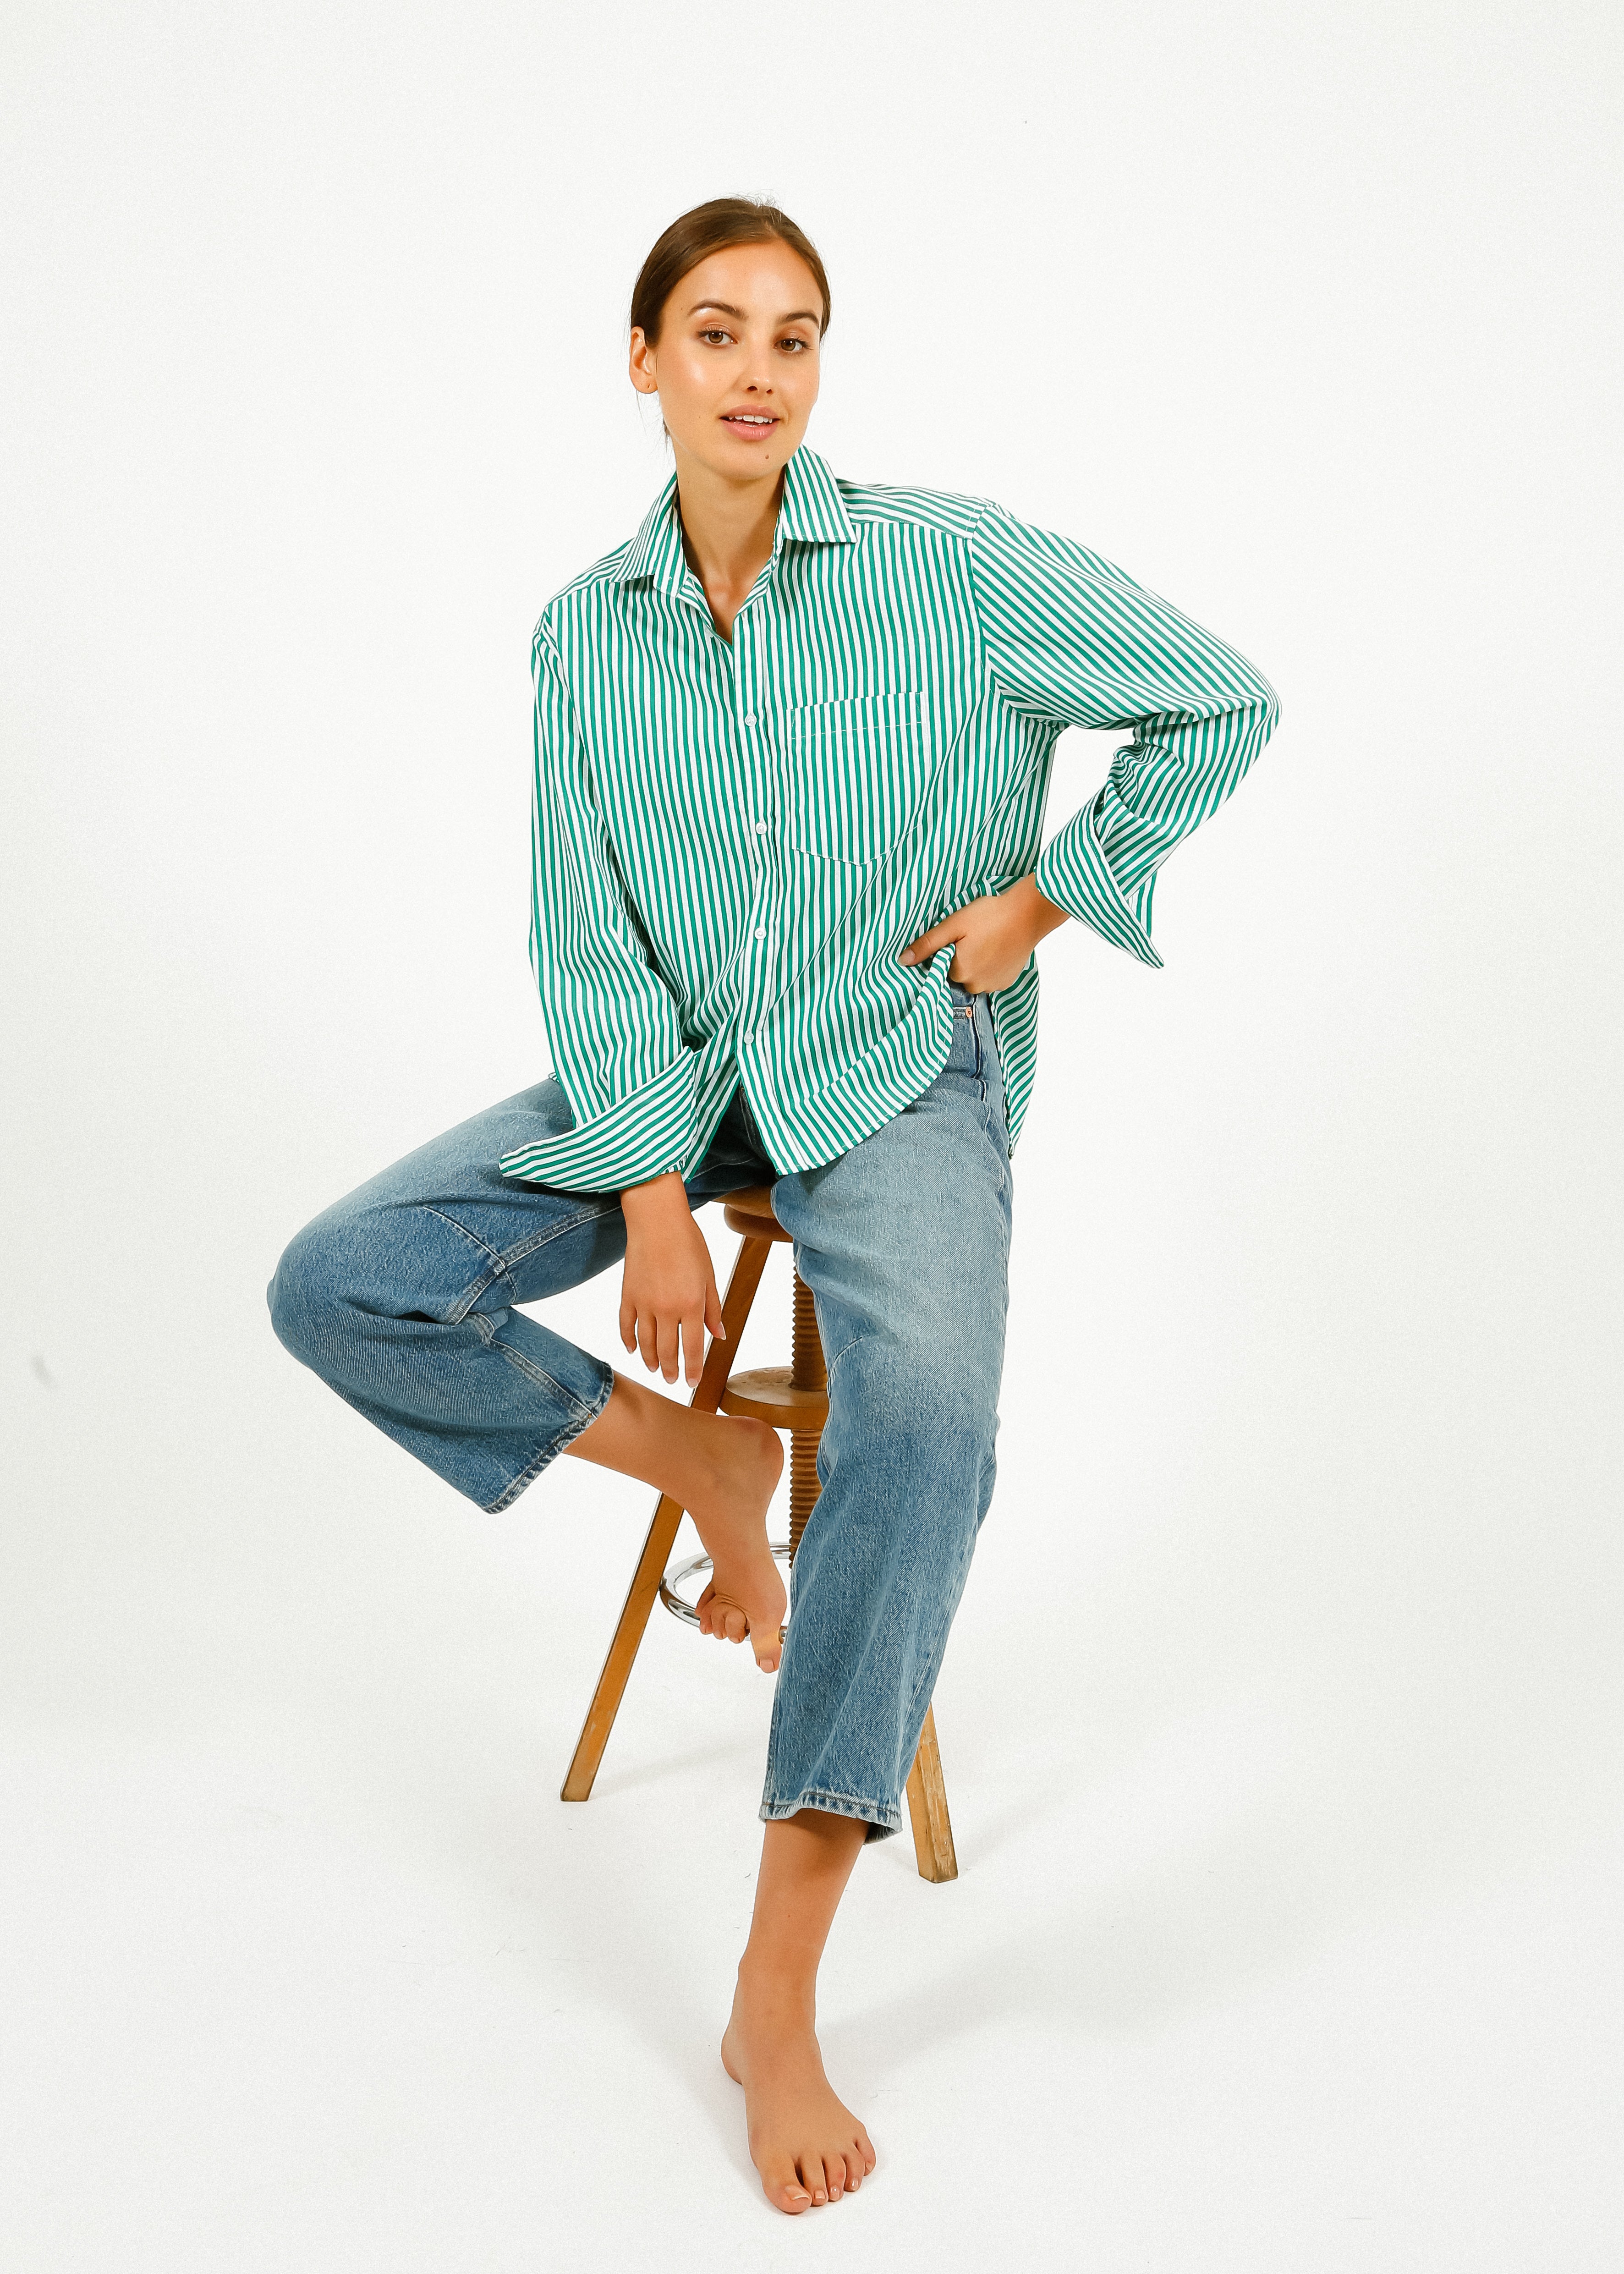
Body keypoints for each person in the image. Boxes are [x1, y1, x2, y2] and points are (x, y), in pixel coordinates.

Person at [267, 195, 1280, 2215]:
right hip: (679, 1074)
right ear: (640, 359)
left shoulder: (949, 563)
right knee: (346, 1279)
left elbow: (1217, 698)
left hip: (902, 1057)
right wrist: (648, 1187)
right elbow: (593, 934)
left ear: (822, 371)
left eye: (793, 337)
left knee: (924, 1428)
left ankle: (778, 1974)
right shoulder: (584, 630)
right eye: (714, 331)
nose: (755, 371)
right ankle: (708, 1463)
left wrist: (1042, 897)